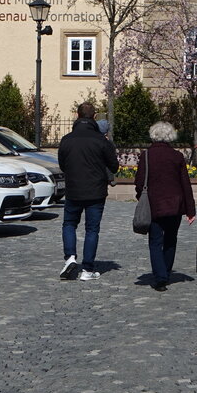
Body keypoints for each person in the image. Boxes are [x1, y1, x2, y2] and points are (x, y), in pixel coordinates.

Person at [56, 102, 118, 281]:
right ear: (94, 117)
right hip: (96, 191)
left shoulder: (67, 139)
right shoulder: (100, 140)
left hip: (74, 189)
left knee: (69, 224)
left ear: (77, 116)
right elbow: (114, 166)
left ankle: (70, 258)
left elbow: (62, 165)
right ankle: (87, 269)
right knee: (92, 229)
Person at [134, 121, 195, 291]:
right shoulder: (176, 156)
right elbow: (185, 184)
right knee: (170, 239)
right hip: (174, 204)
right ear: (170, 136)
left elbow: (139, 182)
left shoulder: (146, 156)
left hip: (153, 204)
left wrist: (141, 197)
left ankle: (160, 277)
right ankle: (166, 272)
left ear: (153, 135)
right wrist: (190, 210)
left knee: (155, 241)